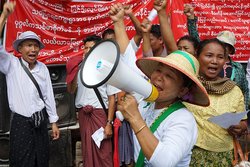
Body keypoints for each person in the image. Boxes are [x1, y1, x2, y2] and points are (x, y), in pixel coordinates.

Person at [109, 3, 210, 167]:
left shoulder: (183, 119)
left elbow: (164, 162)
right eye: (158, 70)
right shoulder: (145, 102)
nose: (158, 78)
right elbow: (126, 58)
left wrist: (134, 117)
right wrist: (118, 22)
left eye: (169, 76)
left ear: (183, 90)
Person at [0, 2, 60, 167]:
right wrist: (4, 16)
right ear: (20, 48)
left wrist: (53, 122)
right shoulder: (11, 64)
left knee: (41, 160)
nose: (33, 49)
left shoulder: (43, 68)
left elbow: (48, 95)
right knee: (21, 162)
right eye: (28, 45)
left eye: (35, 46)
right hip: (20, 124)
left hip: (40, 122)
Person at [186, 38, 248, 166]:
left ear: (225, 61)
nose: (214, 61)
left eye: (220, 57)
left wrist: (240, 127)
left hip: (224, 158)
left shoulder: (234, 90)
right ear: (197, 56)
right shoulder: (186, 86)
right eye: (209, 55)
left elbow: (243, 122)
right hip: (189, 156)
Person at [66, 34, 120, 167]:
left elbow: (112, 98)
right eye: (85, 48)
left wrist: (109, 123)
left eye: (92, 48)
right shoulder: (78, 68)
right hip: (84, 115)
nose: (88, 51)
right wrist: (72, 73)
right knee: (87, 151)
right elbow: (71, 90)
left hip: (100, 114)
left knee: (104, 151)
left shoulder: (106, 68)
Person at [184, 4, 249, 110]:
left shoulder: (238, 69)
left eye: (227, 46)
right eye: (221, 43)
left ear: (231, 50)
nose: (214, 61)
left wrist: (242, 114)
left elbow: (244, 91)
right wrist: (191, 19)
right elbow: (195, 38)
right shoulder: (189, 86)